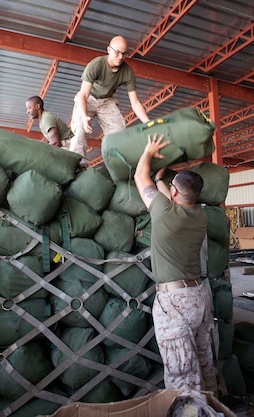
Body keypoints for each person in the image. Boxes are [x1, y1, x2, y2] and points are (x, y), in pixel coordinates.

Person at [134, 133, 217, 395]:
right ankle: (212, 407)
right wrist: (160, 179)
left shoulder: (165, 211)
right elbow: (169, 200)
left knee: (183, 375)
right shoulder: (199, 215)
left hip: (175, 303)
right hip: (198, 297)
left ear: (173, 192)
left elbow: (138, 177)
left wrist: (148, 151)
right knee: (204, 365)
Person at [69, 35, 150, 168]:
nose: (120, 57)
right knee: (80, 128)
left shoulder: (127, 72)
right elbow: (83, 94)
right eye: (117, 52)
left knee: (119, 130)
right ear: (108, 50)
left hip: (107, 101)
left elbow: (135, 102)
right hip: (89, 97)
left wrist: (148, 122)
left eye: (124, 54)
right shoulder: (96, 65)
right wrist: (84, 117)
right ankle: (77, 161)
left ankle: (116, 163)